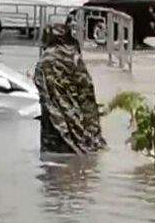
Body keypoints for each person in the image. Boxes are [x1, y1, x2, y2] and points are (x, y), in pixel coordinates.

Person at [33, 23, 107, 154]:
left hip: (56, 131)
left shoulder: (45, 62)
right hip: (80, 126)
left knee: (56, 166)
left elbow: (46, 98)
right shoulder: (75, 58)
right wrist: (94, 132)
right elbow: (87, 94)